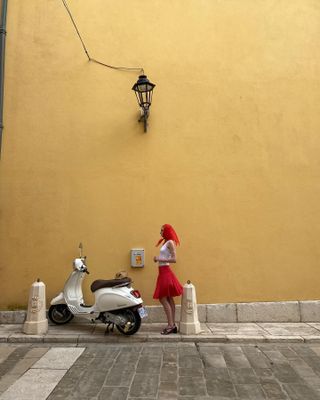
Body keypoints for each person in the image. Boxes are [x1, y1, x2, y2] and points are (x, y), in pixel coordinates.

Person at [153, 224, 183, 334]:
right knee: (169, 298)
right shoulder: (166, 242)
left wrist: (158, 258)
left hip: (165, 271)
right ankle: (172, 325)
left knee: (163, 298)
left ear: (167, 231)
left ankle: (170, 325)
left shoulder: (170, 242)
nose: (160, 232)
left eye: (162, 230)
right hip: (163, 272)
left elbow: (174, 259)